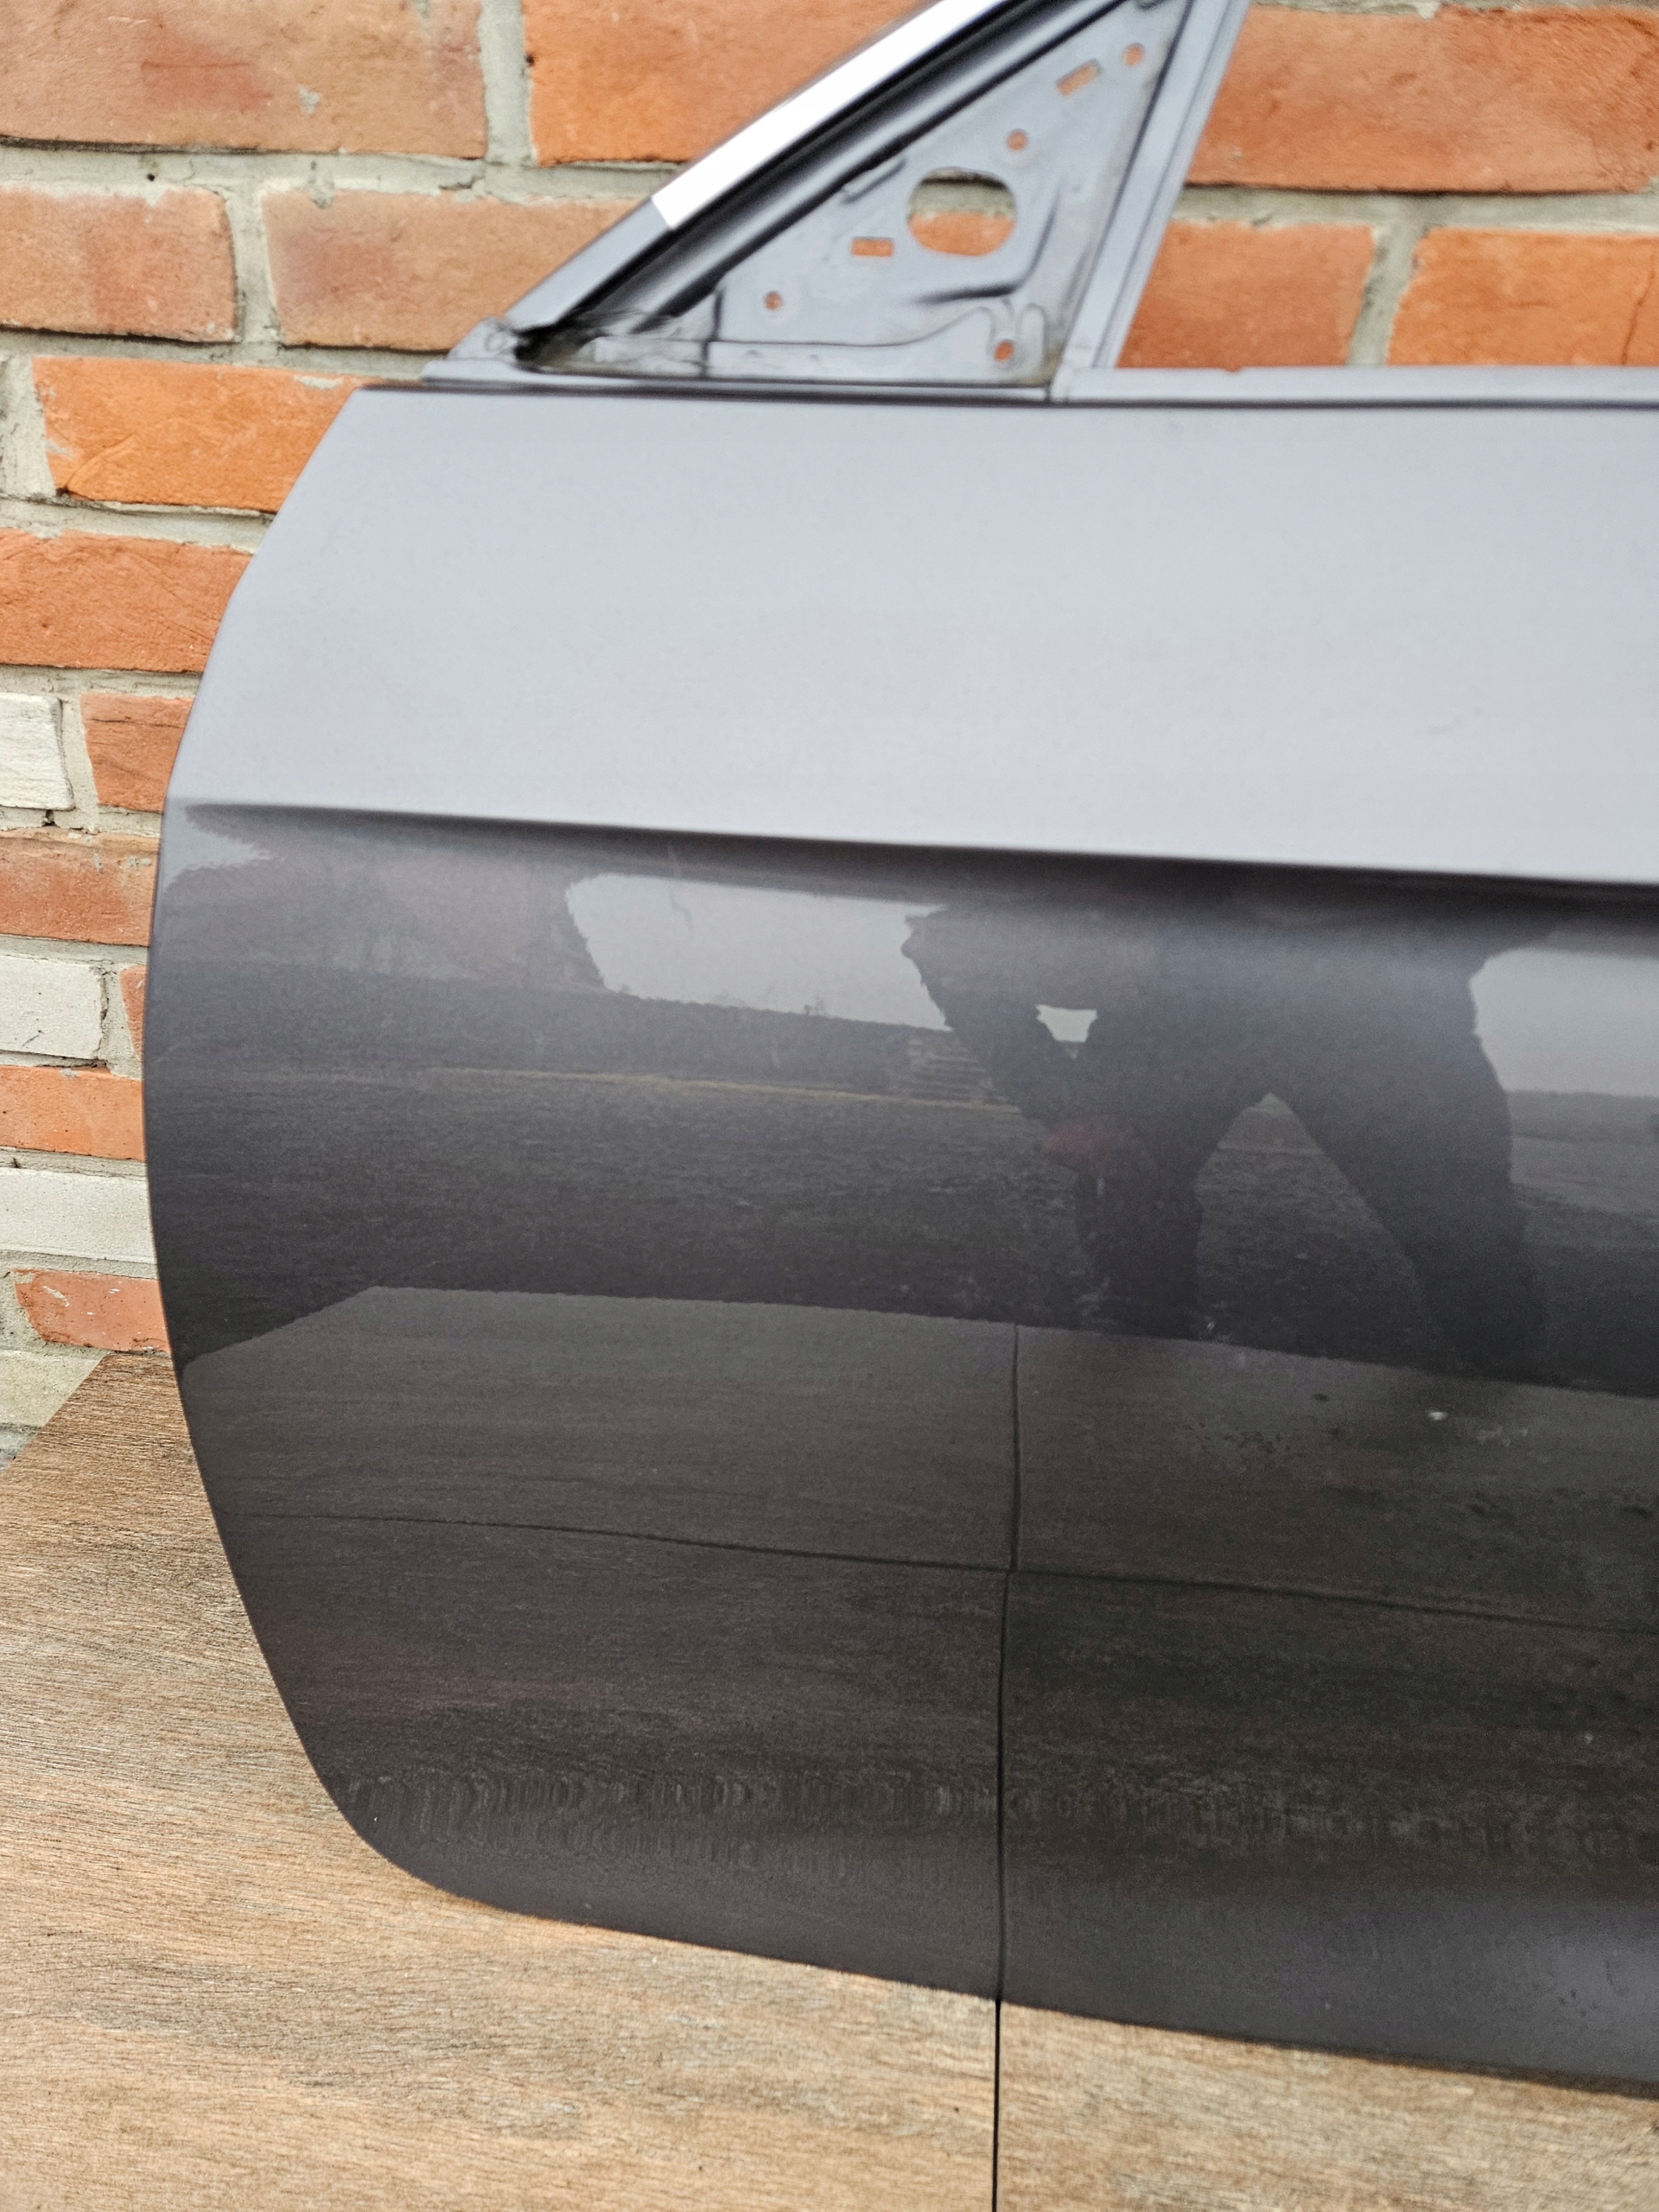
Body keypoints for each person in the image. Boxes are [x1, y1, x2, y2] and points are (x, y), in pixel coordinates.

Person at [904, 867, 1548, 1376]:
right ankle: (1131, 1350)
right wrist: (1064, 1107)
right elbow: (947, 950)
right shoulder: (1070, 899)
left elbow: (1528, 901)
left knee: (1465, 1226)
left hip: (1378, 1011)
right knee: (1127, 1193)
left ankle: (1502, 1365)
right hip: (1198, 1016)